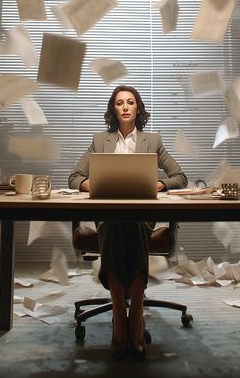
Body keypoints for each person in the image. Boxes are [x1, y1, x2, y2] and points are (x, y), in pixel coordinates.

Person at [69, 85, 187, 361]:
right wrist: (90, 183)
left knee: (132, 224)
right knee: (113, 224)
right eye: (119, 102)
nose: (124, 107)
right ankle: (124, 316)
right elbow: (74, 177)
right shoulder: (100, 140)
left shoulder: (152, 141)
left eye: (130, 102)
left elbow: (180, 177)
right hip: (108, 216)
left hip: (141, 217)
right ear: (113, 109)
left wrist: (159, 183)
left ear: (138, 108)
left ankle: (131, 316)